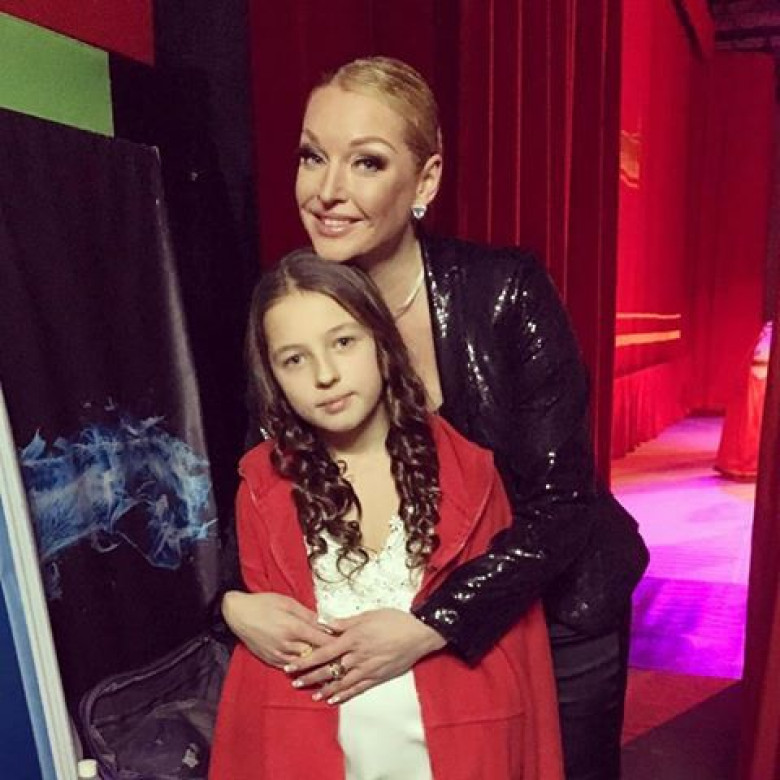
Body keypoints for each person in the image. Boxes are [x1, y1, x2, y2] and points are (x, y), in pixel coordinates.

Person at [221, 57, 648, 779]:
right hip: (387, 641)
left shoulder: (504, 291)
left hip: (554, 612)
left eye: (366, 162)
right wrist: (231, 603)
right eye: (312, 156)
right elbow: (261, 482)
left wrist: (431, 624)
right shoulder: (295, 306)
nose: (327, 191)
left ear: (424, 182)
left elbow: (562, 505)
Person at [210, 250, 563, 779]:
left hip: (457, 754)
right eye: (294, 359)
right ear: (272, 377)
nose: (325, 375)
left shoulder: (468, 474)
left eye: (343, 342)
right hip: (313, 759)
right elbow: (248, 677)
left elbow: (520, 657)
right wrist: (233, 606)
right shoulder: (261, 485)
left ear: (381, 339)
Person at [715, 321, 773, 481]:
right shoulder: (766, 331)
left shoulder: (767, 332)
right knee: (751, 421)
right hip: (757, 379)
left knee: (753, 421)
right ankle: (746, 463)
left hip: (760, 377)